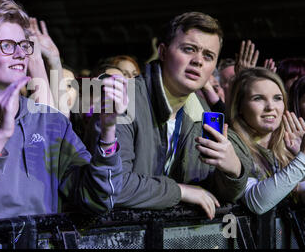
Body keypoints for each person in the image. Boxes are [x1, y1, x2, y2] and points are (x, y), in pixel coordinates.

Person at [0, 0, 126, 226]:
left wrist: (108, 133)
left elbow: (98, 200)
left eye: (24, 45)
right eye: (7, 45)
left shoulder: (50, 121)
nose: (21, 54)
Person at [87, 11, 250, 220]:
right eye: (189, 49)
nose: (198, 61)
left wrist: (232, 171)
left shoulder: (202, 113)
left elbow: (216, 195)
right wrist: (180, 191)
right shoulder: (125, 99)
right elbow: (111, 186)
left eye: (208, 56)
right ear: (163, 52)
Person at [228, 67, 305, 214]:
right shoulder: (231, 143)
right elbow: (257, 203)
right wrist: (302, 159)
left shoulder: (288, 143)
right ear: (239, 107)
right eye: (258, 98)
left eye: (277, 98)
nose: (271, 107)